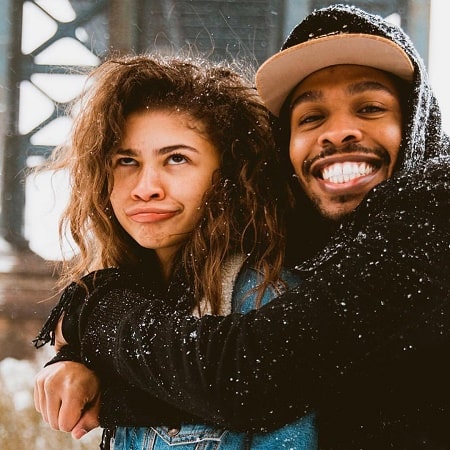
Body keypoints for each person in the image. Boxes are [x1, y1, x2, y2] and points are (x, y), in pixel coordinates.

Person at [35, 4, 450, 449]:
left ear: (416, 122)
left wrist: (94, 308)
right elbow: (297, 382)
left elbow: (249, 374)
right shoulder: (313, 250)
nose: (338, 133)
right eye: (311, 118)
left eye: (369, 108)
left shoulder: (433, 210)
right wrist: (100, 380)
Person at [32, 53, 319, 449]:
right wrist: (75, 361)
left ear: (230, 175)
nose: (145, 186)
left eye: (177, 158)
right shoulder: (131, 300)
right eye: (126, 161)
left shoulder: (262, 297)